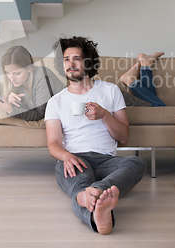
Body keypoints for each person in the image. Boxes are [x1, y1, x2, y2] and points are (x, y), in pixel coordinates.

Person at [45, 36, 147, 235]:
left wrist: (105, 115)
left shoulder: (110, 91)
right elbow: (53, 143)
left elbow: (124, 137)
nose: (71, 64)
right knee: (79, 185)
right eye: (66, 59)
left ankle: (94, 193)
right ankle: (96, 214)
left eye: (76, 58)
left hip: (106, 160)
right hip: (75, 158)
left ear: (88, 62)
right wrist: (66, 156)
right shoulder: (56, 102)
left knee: (137, 163)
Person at [0, 45, 65, 121]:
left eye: (17, 73)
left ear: (29, 68)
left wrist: (11, 110)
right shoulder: (18, 82)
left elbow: (40, 114)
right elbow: (28, 110)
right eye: (8, 73)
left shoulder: (42, 76)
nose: (12, 79)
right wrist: (12, 103)